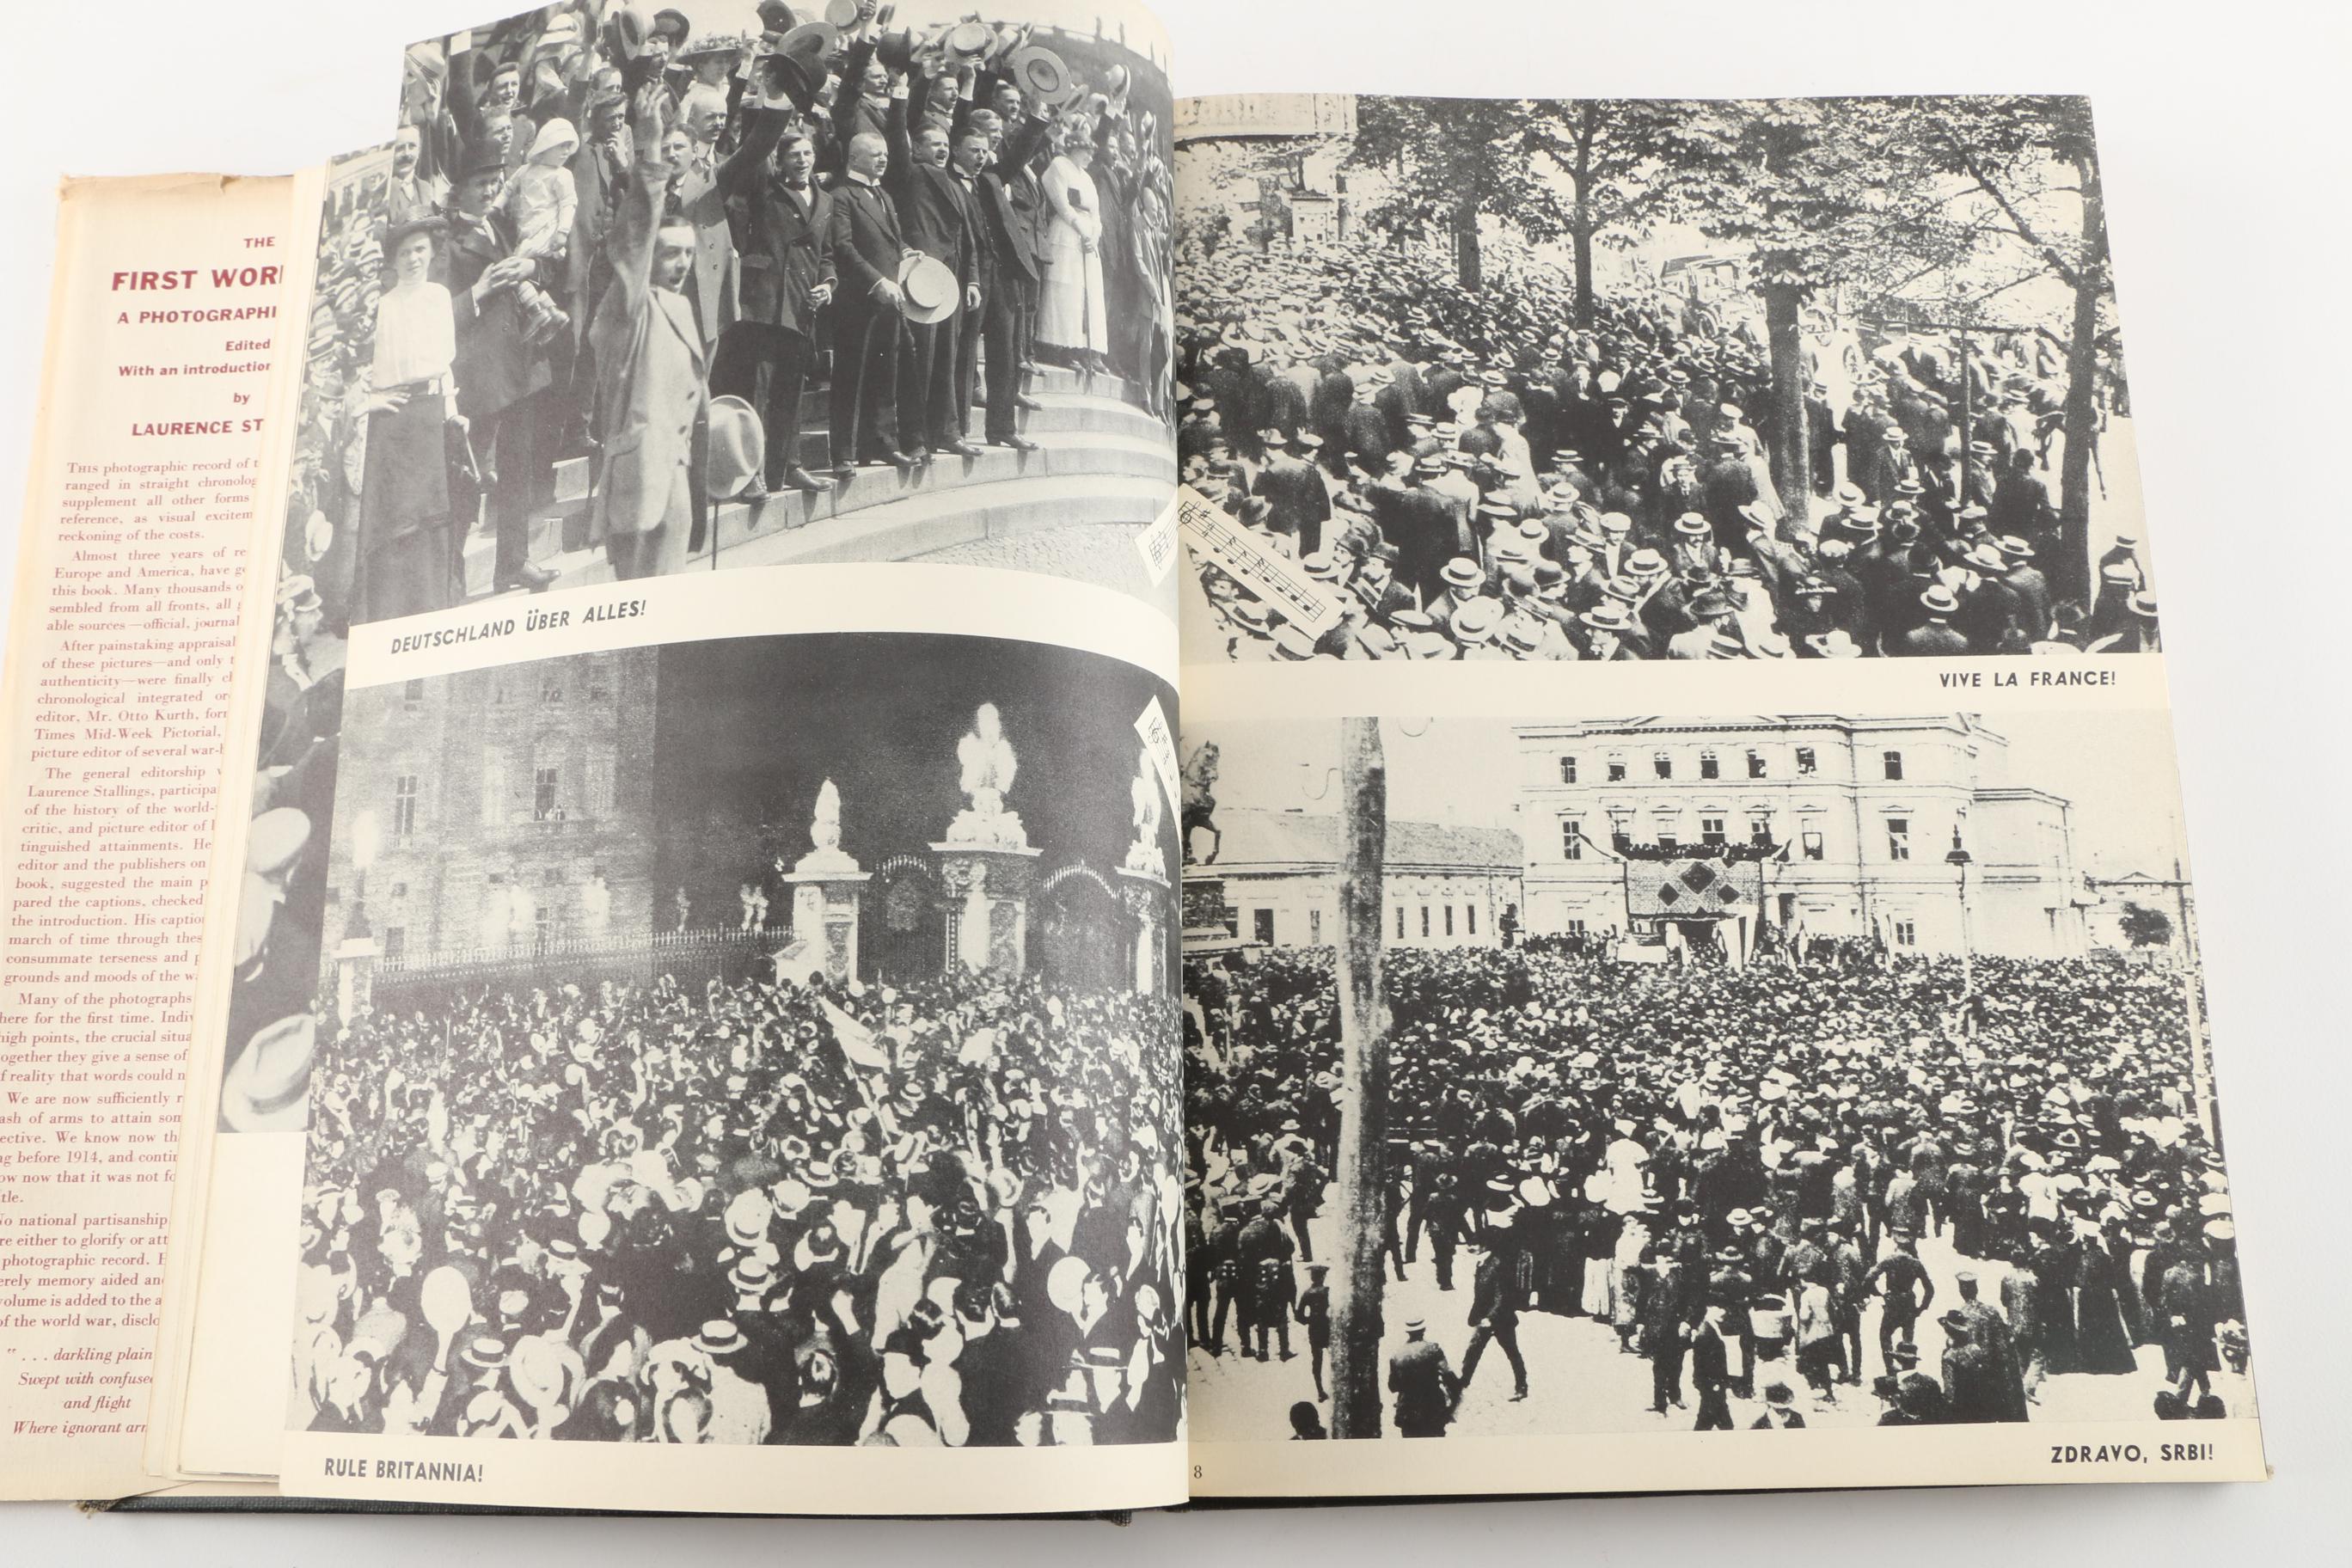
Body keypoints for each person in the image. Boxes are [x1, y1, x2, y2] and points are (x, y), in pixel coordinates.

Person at [585, 88, 707, 579]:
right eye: (670, 252)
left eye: (688, 254)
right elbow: (635, 232)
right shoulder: (628, 306)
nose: (680, 264)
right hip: (639, 479)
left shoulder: (679, 305)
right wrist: (651, 151)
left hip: (676, 475)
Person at [354, 216, 460, 622]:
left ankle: (430, 609)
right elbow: (362, 369)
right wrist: (371, 400)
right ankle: (390, 612)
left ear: (432, 252)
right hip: (395, 421)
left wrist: (453, 412)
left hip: (431, 419)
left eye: (420, 250)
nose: (413, 259)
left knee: (432, 520)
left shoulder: (437, 297)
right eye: (404, 253)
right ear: (392, 262)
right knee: (398, 522)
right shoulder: (383, 307)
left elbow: (444, 367)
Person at [824, 131, 912, 473]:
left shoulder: (884, 195)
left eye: (886, 153)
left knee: (884, 373)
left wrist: (905, 252)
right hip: (858, 300)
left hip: (889, 298)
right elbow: (844, 247)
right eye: (875, 154)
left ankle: (881, 443)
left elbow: (892, 241)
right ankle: (843, 453)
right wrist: (877, 281)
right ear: (854, 158)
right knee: (850, 376)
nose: (883, 159)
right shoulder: (841, 196)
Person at [1036, 113, 1107, 372]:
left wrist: (1094, 237)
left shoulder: (1087, 178)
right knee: (1064, 290)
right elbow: (1062, 205)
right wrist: (1081, 230)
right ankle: (1057, 345)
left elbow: (1096, 213)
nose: (1089, 157)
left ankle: (1082, 347)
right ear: (1073, 148)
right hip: (1066, 233)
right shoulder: (1059, 166)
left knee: (1085, 293)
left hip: (1087, 240)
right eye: (1086, 151)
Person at [1387, 1318, 1458, 1437]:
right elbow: (1448, 1376)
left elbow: (1393, 1386)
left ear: (1408, 1332)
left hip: (1408, 1412)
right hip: (1433, 1409)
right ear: (1423, 1330)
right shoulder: (1433, 1349)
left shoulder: (1397, 1355)